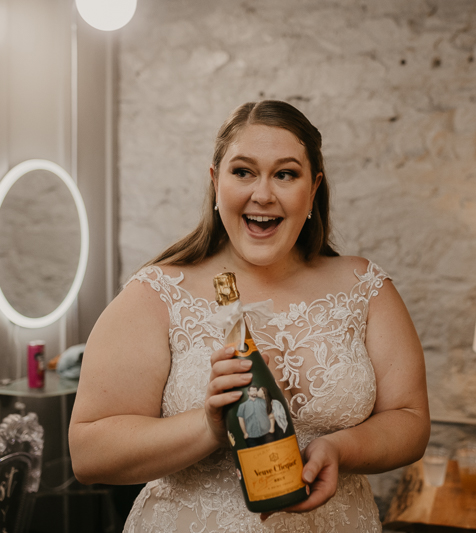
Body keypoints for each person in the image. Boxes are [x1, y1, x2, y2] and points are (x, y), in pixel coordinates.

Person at [69, 100, 430, 532]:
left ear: (313, 188)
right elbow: (89, 455)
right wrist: (206, 425)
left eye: (285, 174)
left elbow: (410, 420)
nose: (263, 194)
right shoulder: (156, 294)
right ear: (215, 182)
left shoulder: (364, 286)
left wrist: (340, 449)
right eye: (243, 172)